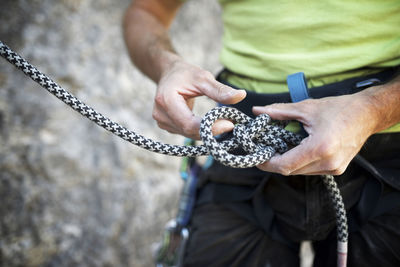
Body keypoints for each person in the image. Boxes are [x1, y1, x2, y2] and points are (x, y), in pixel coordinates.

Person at [123, 0, 400, 266]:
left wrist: (374, 110)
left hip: (383, 151)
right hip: (244, 145)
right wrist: (167, 66)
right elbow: (147, 10)